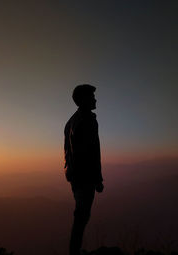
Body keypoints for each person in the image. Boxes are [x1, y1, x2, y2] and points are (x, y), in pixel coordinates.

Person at [64, 84, 104, 255]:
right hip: (84, 177)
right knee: (82, 215)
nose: (95, 99)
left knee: (81, 214)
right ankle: (74, 251)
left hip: (75, 175)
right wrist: (97, 179)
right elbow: (90, 152)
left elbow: (70, 152)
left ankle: (74, 250)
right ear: (82, 99)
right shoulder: (87, 120)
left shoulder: (71, 121)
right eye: (91, 96)